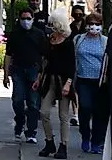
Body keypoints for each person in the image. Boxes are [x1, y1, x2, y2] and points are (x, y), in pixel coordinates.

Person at [35, 8, 75, 158]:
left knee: (63, 115)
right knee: (44, 112)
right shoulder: (50, 41)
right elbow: (44, 61)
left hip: (63, 80)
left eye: (53, 24)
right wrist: (39, 78)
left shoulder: (68, 43)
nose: (50, 27)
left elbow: (72, 65)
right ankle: (49, 141)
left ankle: (63, 145)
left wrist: (68, 83)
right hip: (49, 79)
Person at [3, 8, 47, 144]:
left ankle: (31, 131)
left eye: (28, 18)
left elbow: (45, 55)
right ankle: (20, 121)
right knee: (17, 99)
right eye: (23, 18)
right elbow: (8, 55)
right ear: (19, 19)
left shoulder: (39, 34)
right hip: (18, 69)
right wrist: (6, 74)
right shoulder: (15, 34)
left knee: (33, 103)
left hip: (34, 69)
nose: (26, 21)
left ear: (33, 19)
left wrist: (42, 73)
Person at [73, 12, 108, 155]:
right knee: (85, 108)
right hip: (83, 80)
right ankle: (85, 136)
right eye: (91, 23)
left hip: (100, 82)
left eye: (97, 24)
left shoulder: (105, 41)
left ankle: (96, 141)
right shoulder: (79, 39)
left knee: (100, 113)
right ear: (86, 25)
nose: (94, 27)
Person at [68, 5, 86, 128]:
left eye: (80, 14)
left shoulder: (87, 27)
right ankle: (75, 113)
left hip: (85, 61)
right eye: (76, 14)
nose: (78, 16)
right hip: (73, 60)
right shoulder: (70, 28)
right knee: (74, 88)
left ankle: (82, 112)